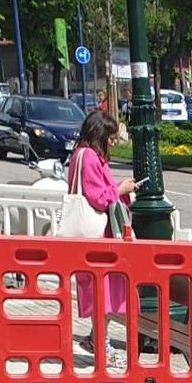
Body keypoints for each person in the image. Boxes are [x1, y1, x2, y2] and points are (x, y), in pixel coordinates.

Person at [61, 109, 137, 328]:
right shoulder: (90, 157)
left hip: (94, 232)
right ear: (99, 135)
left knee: (100, 289)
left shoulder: (81, 154)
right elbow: (98, 197)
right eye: (110, 138)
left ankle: (98, 339)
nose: (112, 143)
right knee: (102, 288)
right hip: (97, 235)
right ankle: (100, 342)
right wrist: (120, 188)